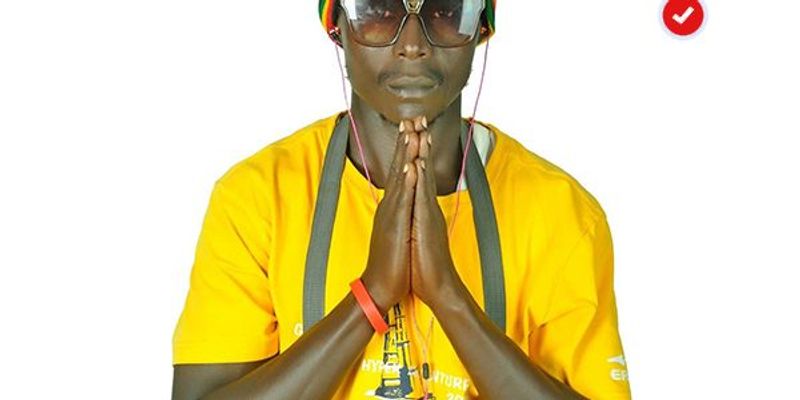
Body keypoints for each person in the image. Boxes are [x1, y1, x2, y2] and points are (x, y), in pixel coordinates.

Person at [171, 1, 632, 399]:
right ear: (336, 26)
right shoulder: (257, 197)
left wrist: (447, 295)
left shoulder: (562, 214)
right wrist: (371, 294)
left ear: (482, 27)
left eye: (447, 11)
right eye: (378, 11)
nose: (413, 44)